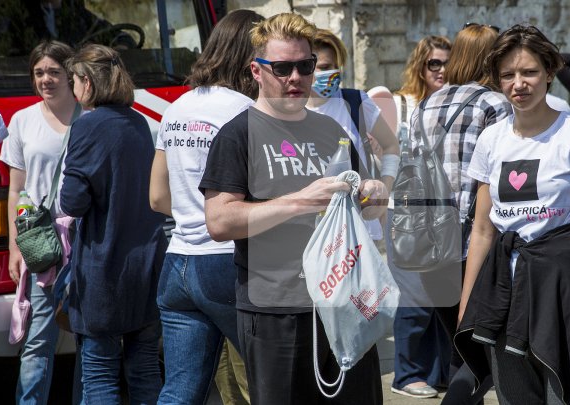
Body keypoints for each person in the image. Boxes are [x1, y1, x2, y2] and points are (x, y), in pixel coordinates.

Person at [199, 13, 389, 405]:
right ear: (256, 70)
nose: (296, 78)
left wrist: (372, 195)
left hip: (344, 302)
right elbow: (220, 221)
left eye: (305, 66)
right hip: (275, 309)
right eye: (282, 68)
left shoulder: (330, 131)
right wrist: (302, 199)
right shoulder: (238, 134)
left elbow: (363, 211)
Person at [455, 24, 570, 404]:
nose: (519, 83)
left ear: (550, 72)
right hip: (501, 292)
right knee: (514, 395)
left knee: (564, 393)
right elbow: (482, 230)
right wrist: (467, 304)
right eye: (508, 75)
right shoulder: (491, 139)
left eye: (529, 72)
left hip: (562, 286)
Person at [149, 9, 263, 405]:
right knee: (268, 379)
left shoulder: (176, 108)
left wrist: (191, 212)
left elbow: (157, 197)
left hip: (178, 262)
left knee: (180, 390)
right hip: (227, 264)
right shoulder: (245, 112)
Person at [407, 23, 511, 403]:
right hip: (476, 246)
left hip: (429, 245)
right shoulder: (495, 104)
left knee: (458, 351)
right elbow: (504, 180)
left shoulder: (425, 104)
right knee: (485, 357)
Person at [60, 44, 166, 404]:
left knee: (101, 374)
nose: (72, 87)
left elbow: (72, 201)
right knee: (146, 370)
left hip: (104, 269)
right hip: (148, 265)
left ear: (86, 82)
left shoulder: (88, 126)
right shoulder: (138, 121)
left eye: (73, 79)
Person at [0, 40, 82, 405]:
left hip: (87, 239)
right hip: (43, 244)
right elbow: (16, 190)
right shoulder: (23, 120)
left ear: (70, 74)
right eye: (38, 73)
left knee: (89, 339)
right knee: (37, 342)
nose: (45, 80)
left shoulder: (91, 116)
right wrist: (16, 247)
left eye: (53, 72)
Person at [385, 34, 453, 399]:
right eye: (433, 63)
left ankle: (438, 371)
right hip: (405, 213)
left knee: (442, 293)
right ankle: (406, 373)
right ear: (420, 66)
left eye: (446, 62)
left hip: (442, 213)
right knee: (414, 295)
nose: (441, 70)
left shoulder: (453, 103)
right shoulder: (400, 103)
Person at [305, 28, 399, 241]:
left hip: (360, 228)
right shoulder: (292, 111)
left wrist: (383, 193)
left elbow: (391, 146)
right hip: (314, 230)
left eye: (334, 67)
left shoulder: (355, 102)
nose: (331, 74)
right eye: (322, 68)